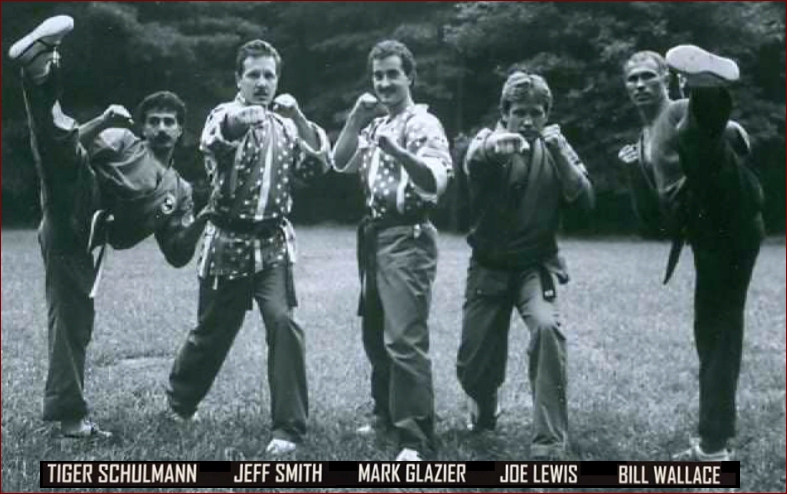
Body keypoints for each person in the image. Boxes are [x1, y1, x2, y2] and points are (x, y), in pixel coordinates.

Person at [8, 15, 207, 438]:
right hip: (76, 195)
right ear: (143, 126)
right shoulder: (124, 141)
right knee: (58, 145)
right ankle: (40, 73)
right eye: (154, 120)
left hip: (86, 239)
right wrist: (101, 121)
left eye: (169, 121)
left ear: (181, 130)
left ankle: (70, 417)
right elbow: (70, 147)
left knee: (73, 321)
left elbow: (177, 254)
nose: (161, 127)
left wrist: (207, 218)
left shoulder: (181, 190)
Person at [166, 39, 331, 456]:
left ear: (278, 80)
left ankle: (288, 429)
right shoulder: (223, 113)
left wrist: (299, 117)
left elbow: (318, 165)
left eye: (269, 75)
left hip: (273, 244)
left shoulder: (285, 125)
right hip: (227, 242)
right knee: (212, 332)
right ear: (238, 79)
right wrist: (241, 120)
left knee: (284, 323)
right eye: (253, 74)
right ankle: (181, 401)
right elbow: (216, 139)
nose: (261, 83)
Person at [619, 46, 764, 461]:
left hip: (728, 211)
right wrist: (633, 174)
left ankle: (708, 89)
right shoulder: (643, 140)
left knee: (718, 332)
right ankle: (715, 438)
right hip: (707, 231)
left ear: (666, 79)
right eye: (632, 79)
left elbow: (738, 138)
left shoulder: (678, 111)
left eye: (648, 76)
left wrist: (723, 130)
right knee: (714, 332)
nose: (640, 85)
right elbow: (653, 219)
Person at [456, 72, 594, 461]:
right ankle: (485, 406)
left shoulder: (556, 148)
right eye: (519, 112)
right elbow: (472, 158)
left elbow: (585, 200)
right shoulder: (490, 141)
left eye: (536, 113)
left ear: (547, 114)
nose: (528, 121)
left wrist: (561, 155)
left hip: (534, 267)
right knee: (472, 366)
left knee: (548, 330)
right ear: (505, 113)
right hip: (488, 268)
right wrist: (493, 147)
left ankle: (549, 442)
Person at [332, 40, 453, 462]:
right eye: (378, 75)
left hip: (408, 236)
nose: (384, 83)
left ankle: (415, 438)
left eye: (392, 74)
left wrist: (398, 152)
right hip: (374, 237)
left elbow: (436, 181)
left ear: (410, 76)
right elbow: (339, 162)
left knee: (404, 338)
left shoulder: (424, 123)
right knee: (376, 334)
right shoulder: (375, 124)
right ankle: (385, 414)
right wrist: (355, 118)